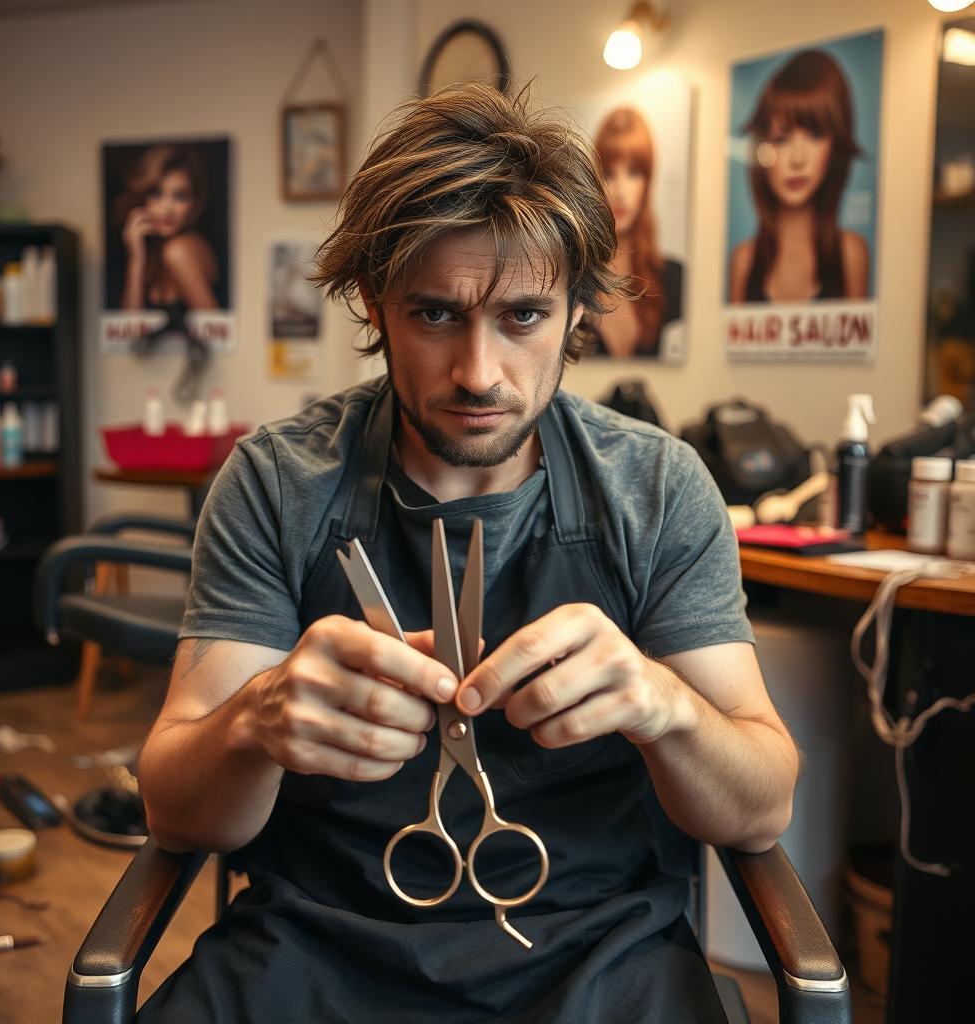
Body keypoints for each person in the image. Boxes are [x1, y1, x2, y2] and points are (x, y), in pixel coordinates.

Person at [135, 82, 798, 1024]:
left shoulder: (656, 491)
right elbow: (174, 812)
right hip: (316, 948)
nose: (479, 373)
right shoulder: (279, 484)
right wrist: (254, 721)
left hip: (599, 958)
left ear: (577, 310)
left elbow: (761, 806)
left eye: (523, 316)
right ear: (375, 300)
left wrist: (664, 707)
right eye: (436, 314)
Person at [729, 49, 869, 304]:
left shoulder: (851, 255)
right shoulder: (744, 262)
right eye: (782, 139)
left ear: (834, 145)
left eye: (815, 136)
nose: (797, 159)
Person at [583, 105, 683, 358]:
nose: (620, 191)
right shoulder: (572, 279)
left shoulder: (674, 279)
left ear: (648, 181)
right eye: (608, 174)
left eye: (633, 172)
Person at [114, 144, 219, 311]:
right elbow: (127, 330)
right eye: (156, 194)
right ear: (143, 198)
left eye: (180, 196)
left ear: (194, 203)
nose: (167, 209)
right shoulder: (153, 253)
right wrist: (136, 258)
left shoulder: (179, 250)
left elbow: (217, 333)